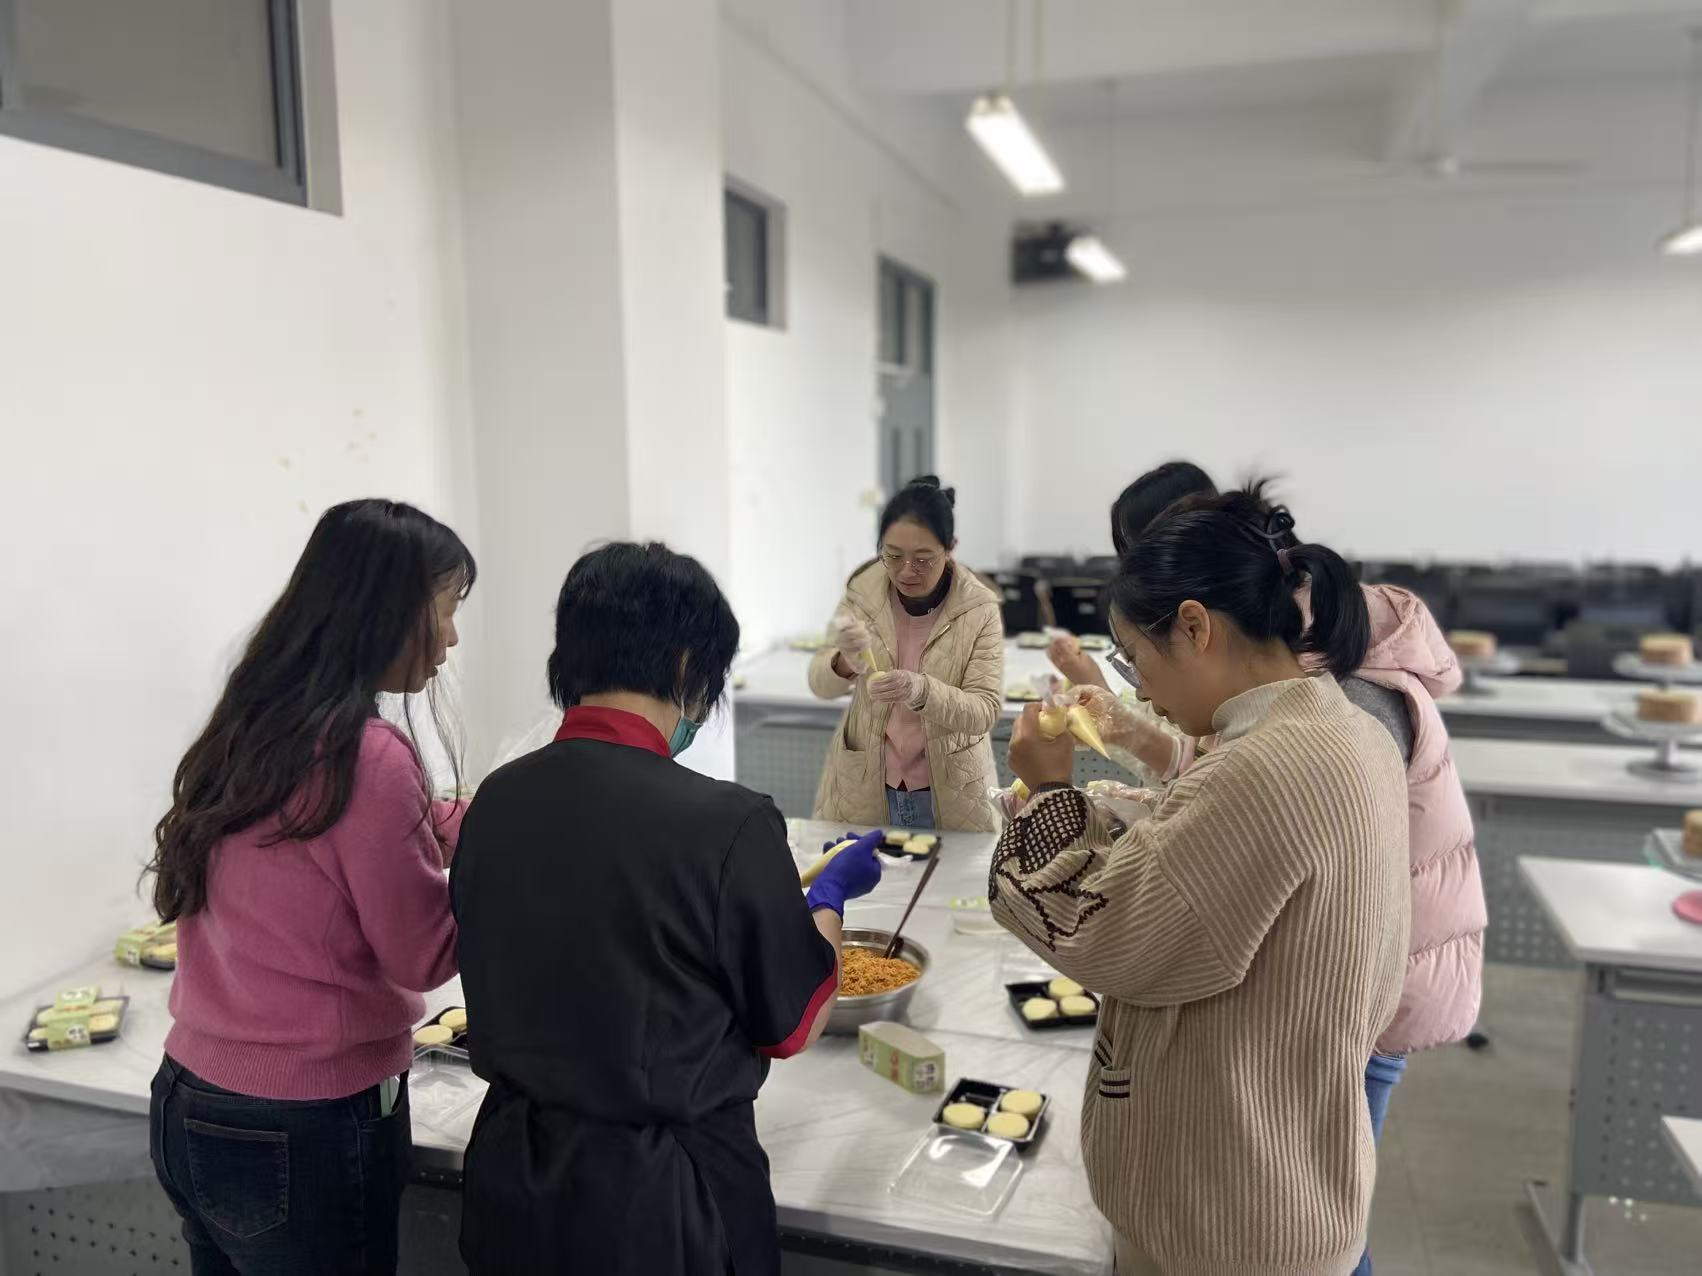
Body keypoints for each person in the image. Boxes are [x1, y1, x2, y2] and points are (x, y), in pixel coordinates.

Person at [1051, 462, 1486, 1276]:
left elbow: (1118, 925)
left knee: (1312, 1171)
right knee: (1321, 1186)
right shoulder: (1302, 695)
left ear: (1195, 615)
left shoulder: (1330, 714)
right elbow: (1230, 801)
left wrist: (1048, 799)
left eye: (1137, 651)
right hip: (1325, 991)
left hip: (1361, 1003)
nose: (1143, 682)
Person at [452, 541, 882, 1276]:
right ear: (689, 666)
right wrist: (827, 899)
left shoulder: (495, 800)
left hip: (513, 1183)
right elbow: (795, 1024)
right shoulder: (727, 823)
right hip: (662, 1205)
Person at [146, 499, 475, 1276]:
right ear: (386, 611)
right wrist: (519, 879)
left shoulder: (256, 723)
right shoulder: (371, 755)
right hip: (306, 1124)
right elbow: (424, 955)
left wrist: (470, 820)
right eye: (446, 610)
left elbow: (330, 836)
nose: (452, 639)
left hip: (189, 1098)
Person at [809, 475, 1004, 831]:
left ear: (951, 548)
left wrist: (921, 690)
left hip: (948, 787)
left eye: (923, 559)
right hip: (868, 783)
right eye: (893, 555)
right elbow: (820, 684)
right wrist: (845, 663)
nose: (906, 571)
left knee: (946, 869)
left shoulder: (978, 608)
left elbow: (984, 711)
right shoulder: (863, 591)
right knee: (866, 867)